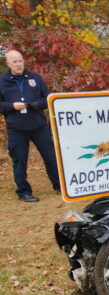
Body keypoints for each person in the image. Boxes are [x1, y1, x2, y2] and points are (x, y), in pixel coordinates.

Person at [0, 50, 60, 202]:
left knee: (51, 157)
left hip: (39, 126)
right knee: (19, 161)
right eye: (14, 61)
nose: (18, 64)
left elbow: (48, 99)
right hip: (16, 129)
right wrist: (12, 106)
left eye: (20, 60)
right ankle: (24, 192)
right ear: (8, 63)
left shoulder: (35, 78)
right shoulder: (2, 82)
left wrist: (36, 104)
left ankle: (59, 186)